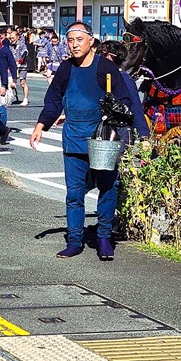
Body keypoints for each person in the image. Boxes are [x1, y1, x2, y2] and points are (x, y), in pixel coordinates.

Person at [30, 21, 132, 261]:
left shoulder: (106, 68)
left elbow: (125, 101)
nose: (74, 45)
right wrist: (40, 125)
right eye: (70, 40)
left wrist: (115, 111)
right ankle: (74, 240)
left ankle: (104, 238)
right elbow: (54, 99)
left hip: (102, 138)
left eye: (79, 40)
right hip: (74, 137)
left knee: (108, 187)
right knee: (74, 193)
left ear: (91, 41)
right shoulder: (66, 69)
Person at [97, 40, 150, 143]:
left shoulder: (123, 78)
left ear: (112, 57)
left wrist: (143, 136)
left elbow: (135, 105)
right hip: (98, 129)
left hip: (118, 132)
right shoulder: (98, 75)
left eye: (102, 54)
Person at [0, 28, 17, 129]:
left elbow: (12, 64)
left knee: (1, 104)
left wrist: (13, 80)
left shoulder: (4, 50)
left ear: (1, 38)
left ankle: (2, 127)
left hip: (2, 79)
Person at [8, 28, 30, 106]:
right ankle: (10, 97)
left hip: (22, 65)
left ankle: (25, 99)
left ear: (17, 37)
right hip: (12, 66)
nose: (12, 39)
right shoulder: (10, 45)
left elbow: (25, 52)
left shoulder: (21, 44)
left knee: (23, 83)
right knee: (11, 82)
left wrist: (21, 60)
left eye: (13, 38)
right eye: (11, 38)